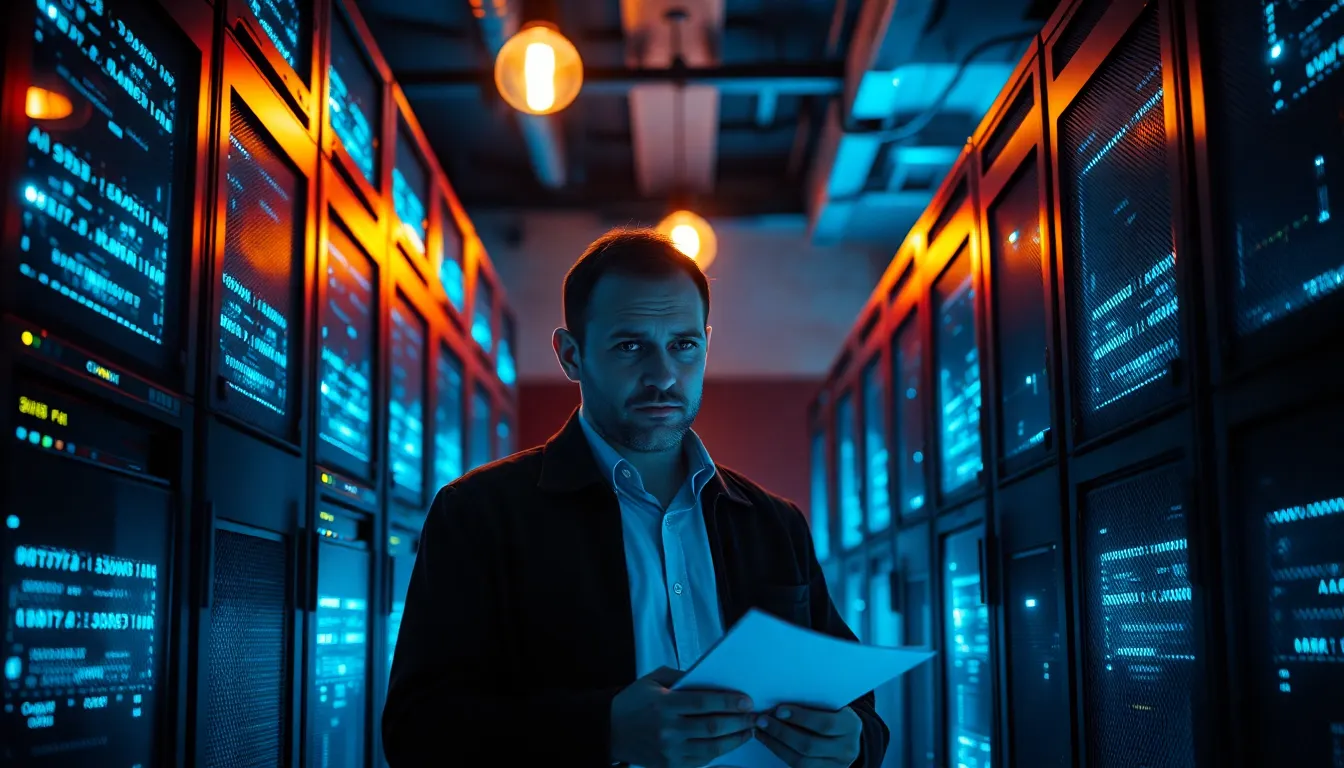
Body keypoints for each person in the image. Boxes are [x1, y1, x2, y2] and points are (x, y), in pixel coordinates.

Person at [383, 228, 888, 767]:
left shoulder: (775, 522)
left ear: (705, 345)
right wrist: (604, 733)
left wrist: (854, 742)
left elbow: (861, 712)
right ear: (570, 355)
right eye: (630, 346)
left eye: (683, 345)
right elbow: (418, 732)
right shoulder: (478, 514)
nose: (663, 376)